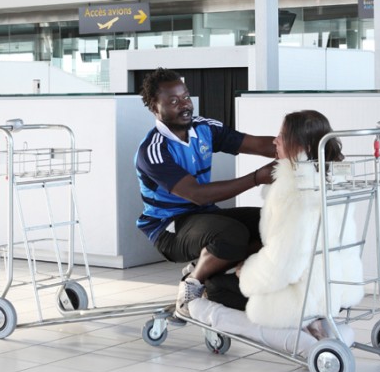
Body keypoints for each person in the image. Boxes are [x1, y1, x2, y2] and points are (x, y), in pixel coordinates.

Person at [134, 68, 277, 319]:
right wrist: (256, 178)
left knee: (272, 221)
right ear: (154, 108)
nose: (185, 105)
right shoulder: (153, 150)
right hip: (169, 228)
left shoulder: (204, 128)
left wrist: (307, 145)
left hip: (204, 216)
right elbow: (197, 194)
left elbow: (257, 144)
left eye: (186, 97)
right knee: (232, 234)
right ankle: (193, 283)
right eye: (174, 101)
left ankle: (208, 271)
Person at [230, 109, 363, 342]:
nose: (275, 141)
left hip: (301, 298)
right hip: (335, 289)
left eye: (282, 135)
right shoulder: (334, 179)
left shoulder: (293, 188)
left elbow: (284, 263)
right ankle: (320, 326)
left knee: (219, 286)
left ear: (301, 145)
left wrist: (246, 274)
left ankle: (307, 328)